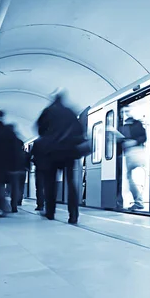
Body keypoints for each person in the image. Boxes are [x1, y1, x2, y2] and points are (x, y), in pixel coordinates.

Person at [34, 89, 87, 223]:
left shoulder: (48, 112)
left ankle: (50, 212)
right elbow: (80, 130)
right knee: (71, 183)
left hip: (52, 153)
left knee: (50, 183)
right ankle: (73, 215)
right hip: (69, 152)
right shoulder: (70, 112)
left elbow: (39, 129)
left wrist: (49, 135)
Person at [114, 106, 147, 211]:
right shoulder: (121, 127)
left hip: (136, 152)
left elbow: (143, 137)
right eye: (123, 112)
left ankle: (138, 201)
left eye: (126, 111)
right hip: (127, 154)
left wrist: (134, 141)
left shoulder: (137, 124)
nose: (125, 113)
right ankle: (137, 201)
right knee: (129, 178)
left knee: (132, 177)